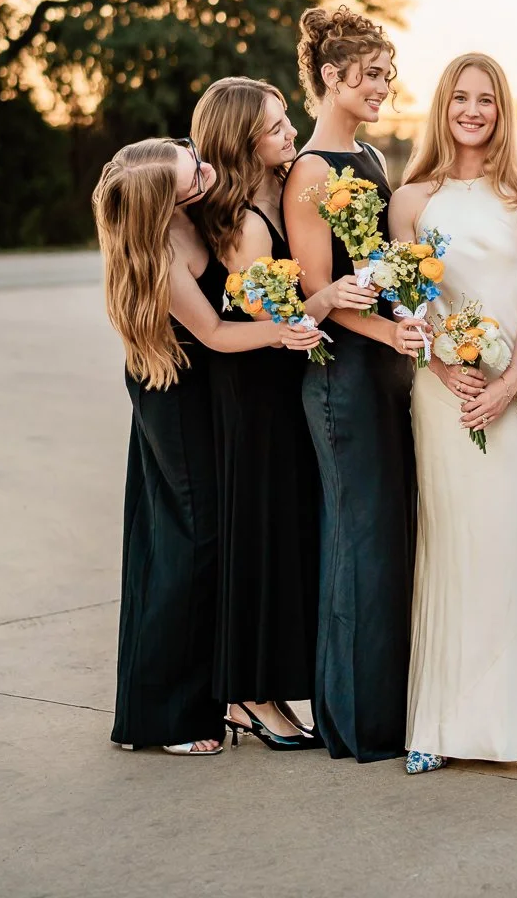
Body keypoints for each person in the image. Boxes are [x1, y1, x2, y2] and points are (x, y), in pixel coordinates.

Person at [93, 137, 327, 756]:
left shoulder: (189, 214)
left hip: (201, 387)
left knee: (197, 537)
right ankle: (167, 718)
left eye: (191, 154)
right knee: (191, 538)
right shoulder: (159, 252)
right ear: (163, 198)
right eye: (189, 170)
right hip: (173, 391)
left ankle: (216, 696)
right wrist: (288, 331)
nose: (203, 167)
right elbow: (218, 333)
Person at [389, 53, 517, 774]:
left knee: (508, 549)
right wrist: (440, 364)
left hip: (511, 395)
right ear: (442, 105)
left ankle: (512, 726)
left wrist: (512, 378)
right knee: (449, 548)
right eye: (460, 97)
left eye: (486, 99)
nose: (472, 110)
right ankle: (435, 724)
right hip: (442, 393)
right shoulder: (412, 199)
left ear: (503, 109)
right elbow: (407, 302)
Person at [189, 77, 374, 750]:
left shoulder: (279, 189)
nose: (290, 133)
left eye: (287, 120)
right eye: (275, 129)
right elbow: (275, 314)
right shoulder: (240, 218)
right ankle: (249, 694)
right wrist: (331, 298)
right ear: (243, 142)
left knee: (286, 534)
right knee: (259, 536)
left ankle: (267, 690)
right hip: (253, 389)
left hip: (284, 381)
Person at [282, 7, 428, 763]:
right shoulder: (309, 173)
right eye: (369, 75)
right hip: (341, 379)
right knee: (359, 545)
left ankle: (387, 713)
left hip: (386, 373)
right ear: (331, 77)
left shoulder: (369, 156)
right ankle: (354, 724)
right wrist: (390, 334)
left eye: (387, 75)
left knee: (388, 540)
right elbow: (319, 294)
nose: (382, 87)